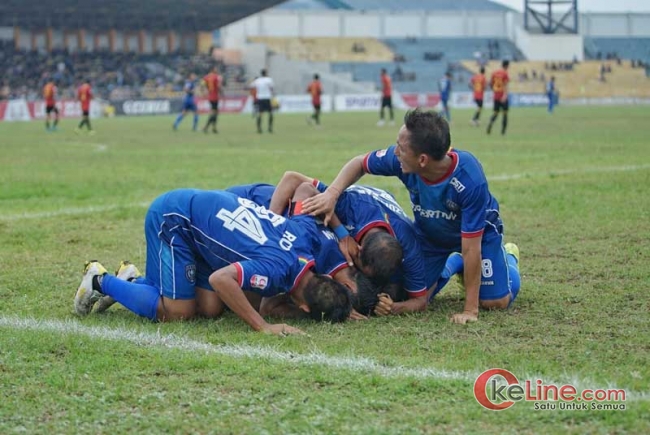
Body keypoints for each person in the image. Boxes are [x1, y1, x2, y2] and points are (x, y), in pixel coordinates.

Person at [301, 109, 521, 324]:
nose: (395, 151)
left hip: (478, 238)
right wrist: (331, 195)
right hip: (431, 237)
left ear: (422, 160)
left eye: (401, 147)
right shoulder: (401, 160)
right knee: (411, 295)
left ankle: (509, 257)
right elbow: (359, 163)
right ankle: (456, 263)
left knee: (494, 302)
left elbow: (471, 247)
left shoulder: (469, 180)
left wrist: (470, 310)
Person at [74, 189, 352, 335]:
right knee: (178, 313)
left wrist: (341, 233)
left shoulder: (306, 238)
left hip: (202, 223)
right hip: (174, 219)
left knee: (209, 308)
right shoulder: (275, 271)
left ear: (325, 277)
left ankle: (132, 281)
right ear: (302, 306)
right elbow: (222, 280)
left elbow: (304, 188)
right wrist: (262, 326)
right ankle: (100, 280)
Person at [270, 171, 428, 306]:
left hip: (386, 208)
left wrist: (392, 307)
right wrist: (270, 229)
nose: (356, 272)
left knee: (408, 289)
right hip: (260, 198)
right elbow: (291, 178)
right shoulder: (348, 204)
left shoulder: (409, 247)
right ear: (358, 250)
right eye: (357, 268)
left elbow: (420, 300)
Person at [486, 60, 510, 135]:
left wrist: (494, 90)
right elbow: (505, 85)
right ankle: (503, 132)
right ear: (507, 66)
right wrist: (505, 95)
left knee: (496, 113)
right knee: (505, 114)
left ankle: (490, 124)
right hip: (502, 96)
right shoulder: (505, 74)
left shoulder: (494, 73)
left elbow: (490, 84)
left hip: (496, 96)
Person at [250, 69, 274, 134]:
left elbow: (251, 86)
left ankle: (259, 128)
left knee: (260, 114)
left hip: (260, 98)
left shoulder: (257, 80)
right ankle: (270, 128)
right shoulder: (269, 80)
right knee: (270, 113)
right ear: (266, 73)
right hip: (267, 98)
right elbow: (271, 88)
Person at [202, 66, 223, 134]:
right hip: (215, 96)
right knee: (214, 113)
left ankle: (214, 128)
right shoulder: (216, 77)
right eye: (216, 68)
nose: (216, 70)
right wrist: (221, 92)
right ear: (213, 69)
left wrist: (204, 92)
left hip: (210, 96)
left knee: (215, 112)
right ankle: (206, 127)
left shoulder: (206, 77)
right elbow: (219, 86)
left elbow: (202, 85)